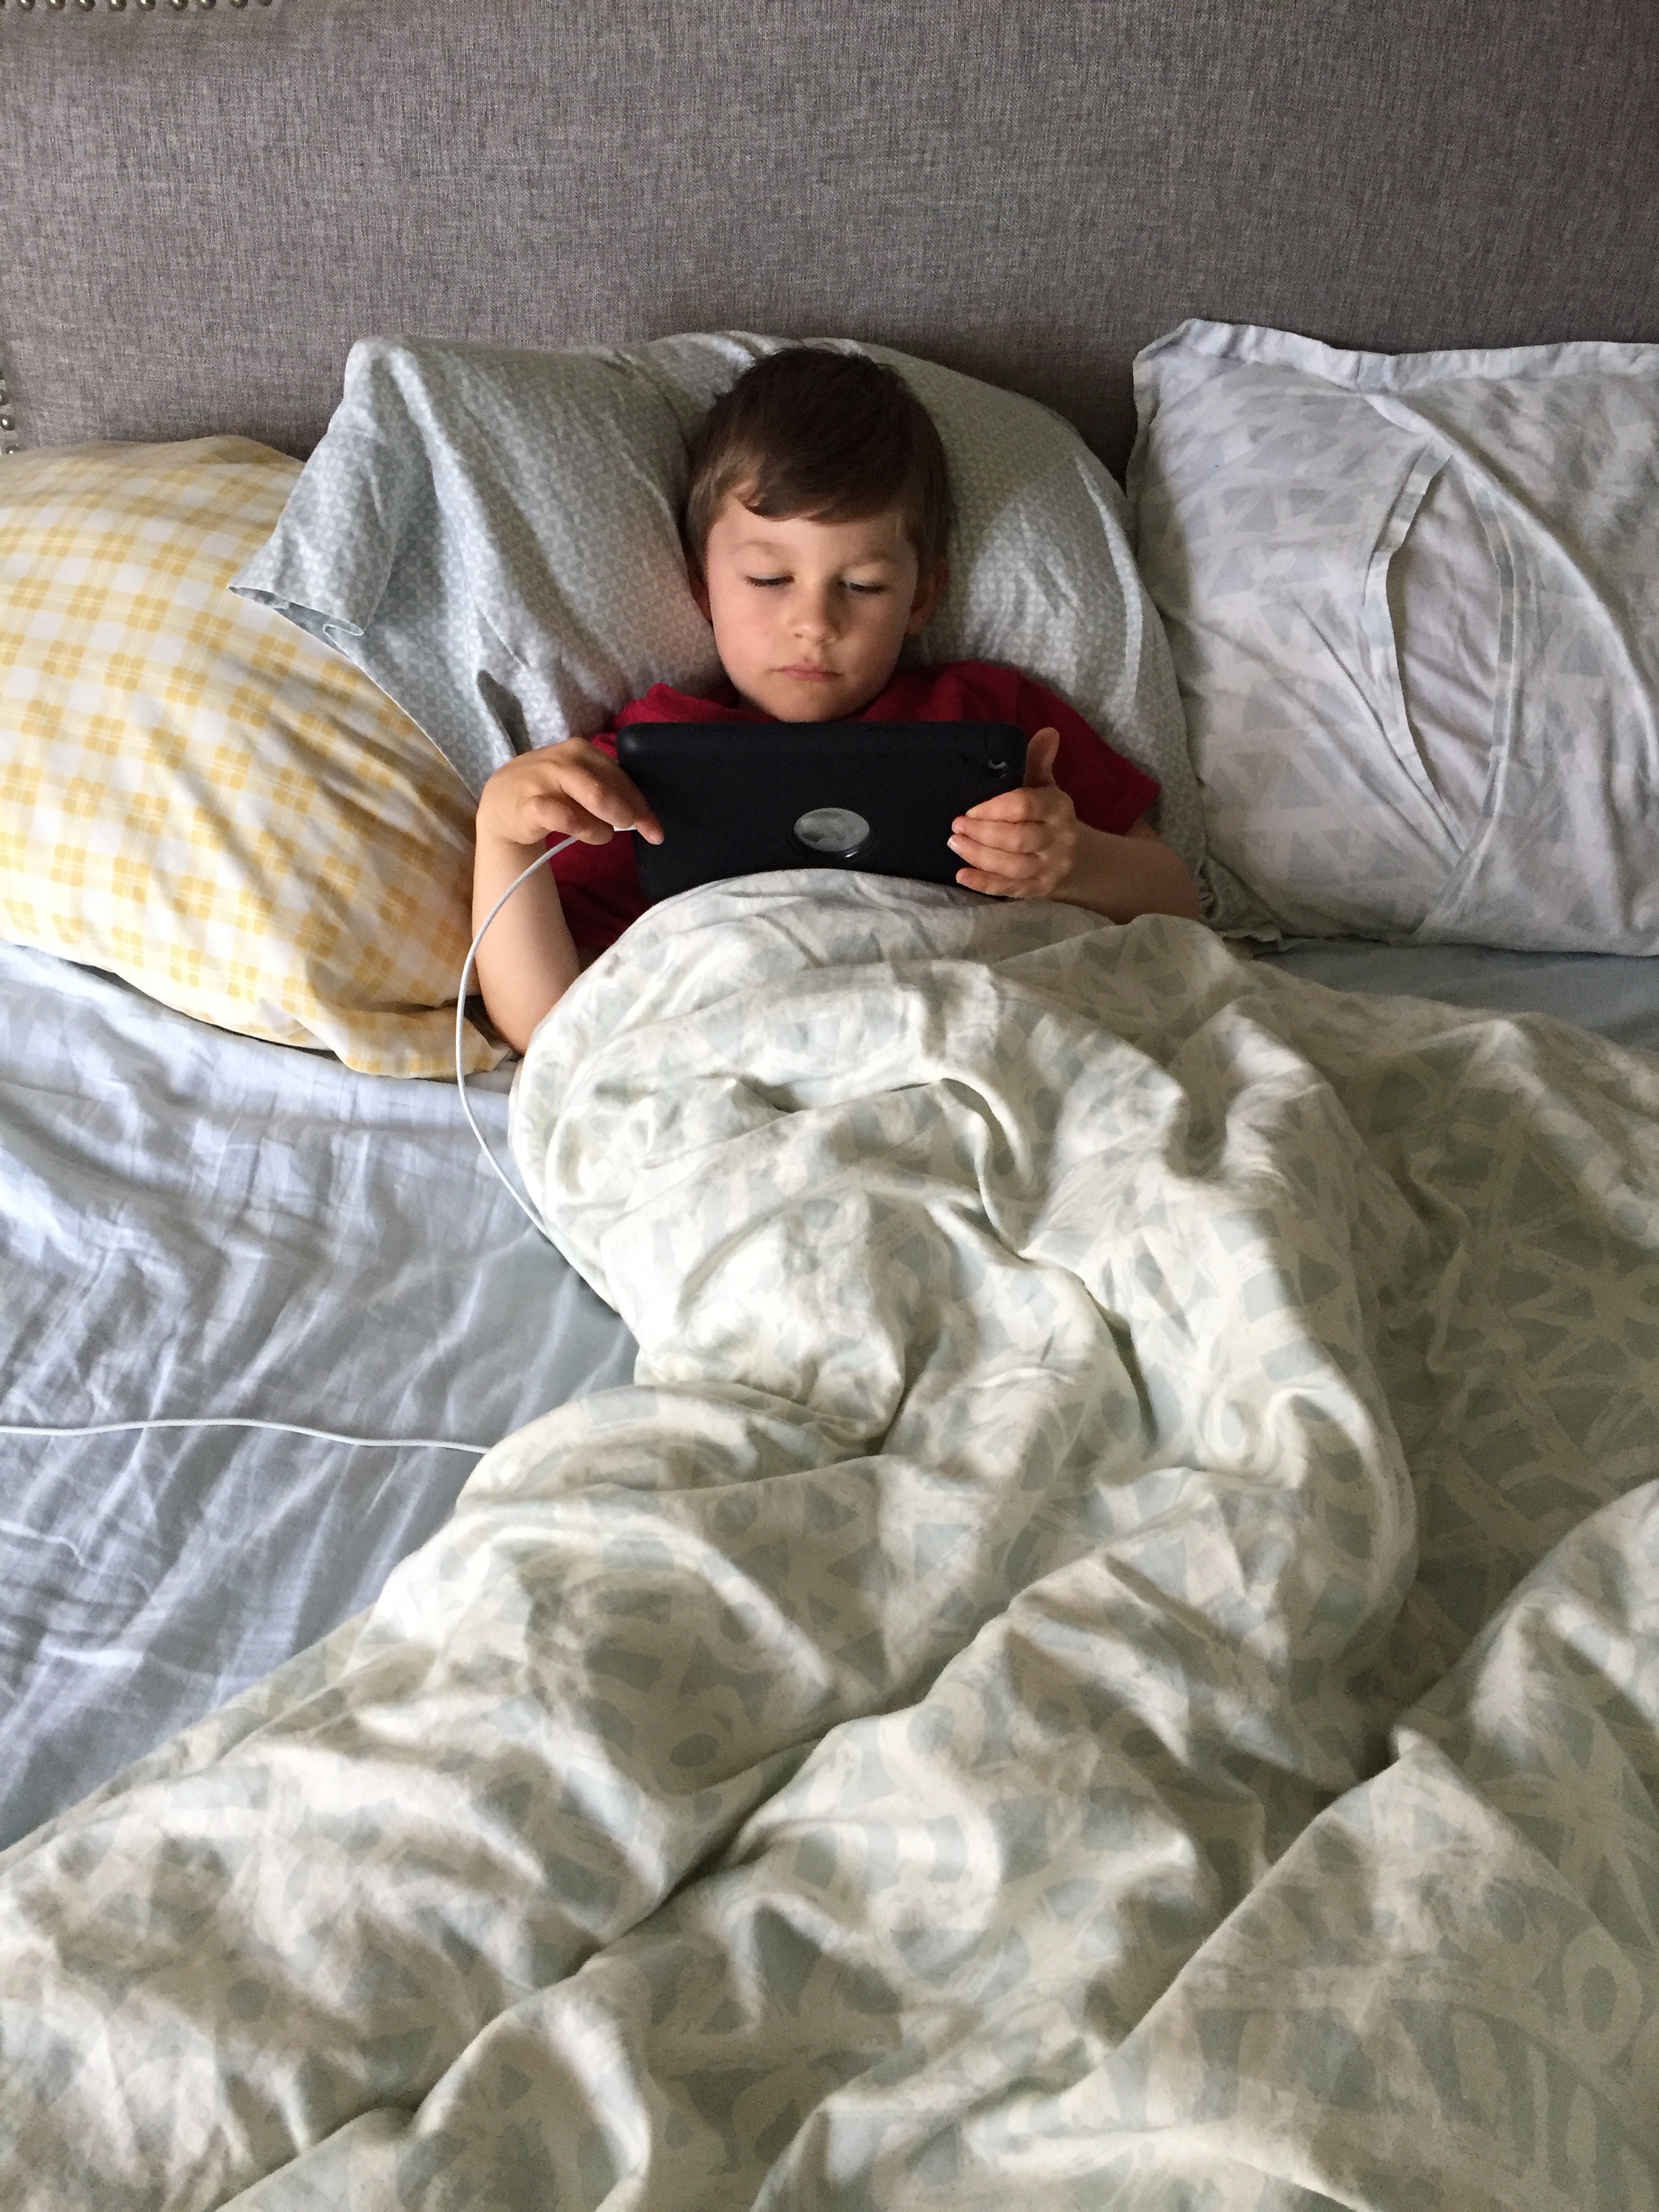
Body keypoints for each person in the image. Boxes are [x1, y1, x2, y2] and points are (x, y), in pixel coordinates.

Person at [472, 348, 1202, 1050]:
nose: (815, 624)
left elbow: (1178, 904)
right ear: (702, 587)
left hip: (978, 1026)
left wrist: (1072, 862)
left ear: (923, 598)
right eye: (769, 580)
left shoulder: (990, 722)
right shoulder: (644, 767)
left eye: (862, 586)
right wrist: (505, 835)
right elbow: (545, 1023)